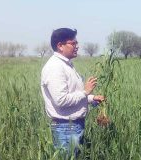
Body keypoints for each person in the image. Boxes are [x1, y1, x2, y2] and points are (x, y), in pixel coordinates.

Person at [41, 28, 104, 156]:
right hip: (66, 129)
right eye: (73, 43)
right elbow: (61, 100)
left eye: (77, 43)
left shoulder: (66, 64)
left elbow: (73, 93)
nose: (77, 46)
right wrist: (85, 92)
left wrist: (91, 98)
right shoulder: (55, 67)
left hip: (72, 127)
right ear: (60, 46)